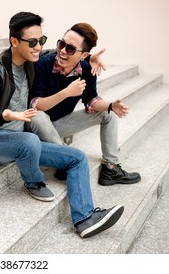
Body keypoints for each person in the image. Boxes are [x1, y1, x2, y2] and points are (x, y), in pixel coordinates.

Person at [0, 12, 123, 238]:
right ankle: (33, 182)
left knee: (77, 157)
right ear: (14, 42)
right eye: (33, 42)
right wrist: (6, 114)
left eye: (41, 40)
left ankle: (84, 218)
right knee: (31, 138)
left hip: (24, 139)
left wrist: (87, 60)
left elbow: (58, 55)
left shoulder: (32, 63)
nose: (39, 46)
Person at [29, 22, 141, 186]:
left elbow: (91, 102)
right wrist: (66, 92)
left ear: (83, 55)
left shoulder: (87, 70)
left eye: (70, 49)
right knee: (37, 116)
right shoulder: (43, 64)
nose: (62, 50)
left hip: (59, 125)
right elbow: (35, 104)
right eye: (61, 44)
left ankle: (110, 167)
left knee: (108, 114)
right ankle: (65, 158)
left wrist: (111, 106)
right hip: (37, 128)